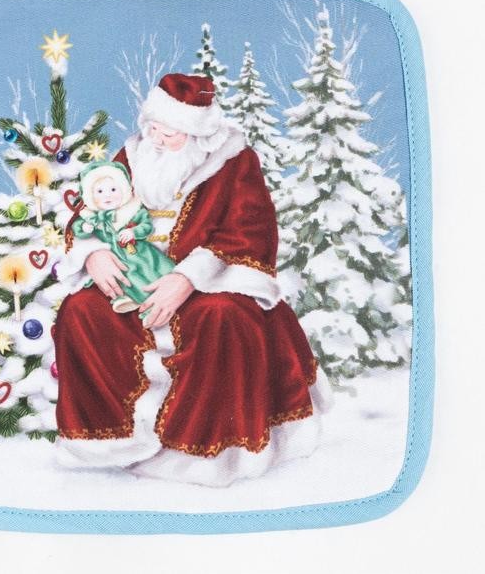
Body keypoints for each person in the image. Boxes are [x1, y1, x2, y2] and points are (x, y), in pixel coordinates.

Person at [54, 73, 332, 487]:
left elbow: (251, 231)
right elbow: (90, 209)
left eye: (169, 134)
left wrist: (187, 277)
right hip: (133, 274)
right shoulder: (133, 155)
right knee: (80, 311)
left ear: (198, 133)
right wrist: (93, 252)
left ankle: (199, 451)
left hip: (214, 279)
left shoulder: (234, 161)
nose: (156, 139)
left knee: (221, 319)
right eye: (152, 128)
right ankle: (109, 439)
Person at [71, 160, 175, 316]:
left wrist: (133, 232)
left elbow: (146, 225)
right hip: (118, 258)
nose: (107, 195)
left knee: (156, 271)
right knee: (130, 279)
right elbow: (77, 229)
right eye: (100, 191)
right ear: (90, 196)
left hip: (141, 253)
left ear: (124, 190)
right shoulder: (91, 217)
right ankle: (148, 309)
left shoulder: (133, 210)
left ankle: (168, 294)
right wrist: (86, 228)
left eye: (113, 189)